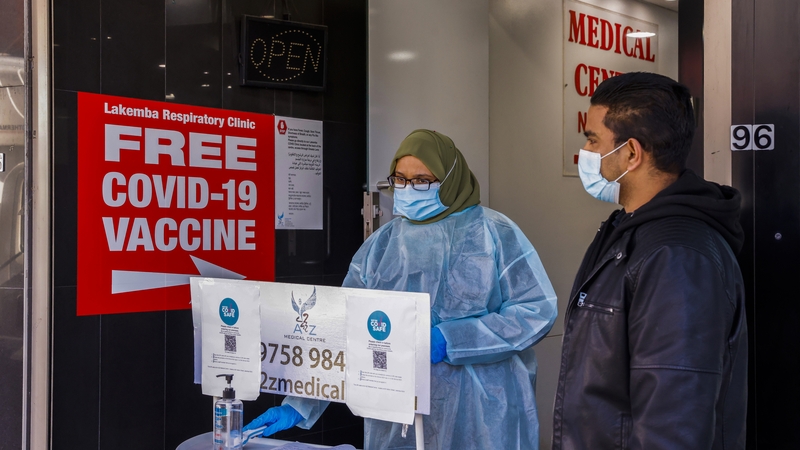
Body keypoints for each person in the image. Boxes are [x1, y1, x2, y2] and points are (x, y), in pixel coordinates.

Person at [244, 129, 558, 449]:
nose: (409, 189)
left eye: (422, 180)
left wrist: (453, 339)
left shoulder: (495, 233)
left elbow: (535, 310)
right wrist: (298, 404)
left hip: (482, 412)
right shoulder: (382, 245)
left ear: (450, 178)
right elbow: (341, 327)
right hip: (397, 411)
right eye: (400, 179)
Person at [552, 72, 748, 449]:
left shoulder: (678, 259)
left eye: (593, 139)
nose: (586, 152)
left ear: (631, 153)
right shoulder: (628, 229)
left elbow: (673, 424)